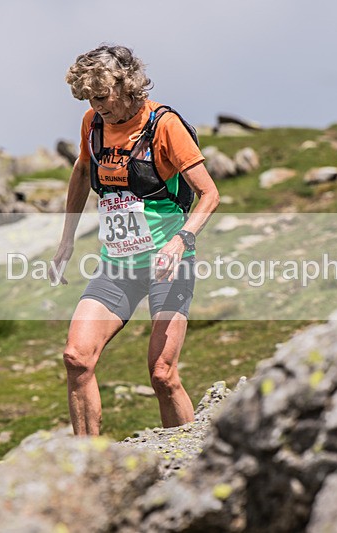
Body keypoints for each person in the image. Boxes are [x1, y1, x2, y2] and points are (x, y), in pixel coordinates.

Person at [51, 44, 220, 436]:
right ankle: (86, 468)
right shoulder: (93, 124)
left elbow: (210, 194)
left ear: (128, 87)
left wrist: (182, 240)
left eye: (102, 96)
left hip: (167, 264)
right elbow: (80, 174)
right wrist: (66, 241)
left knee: (162, 374)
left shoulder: (164, 126)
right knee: (76, 358)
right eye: (89, 98)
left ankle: (187, 460)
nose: (96, 106)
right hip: (117, 266)